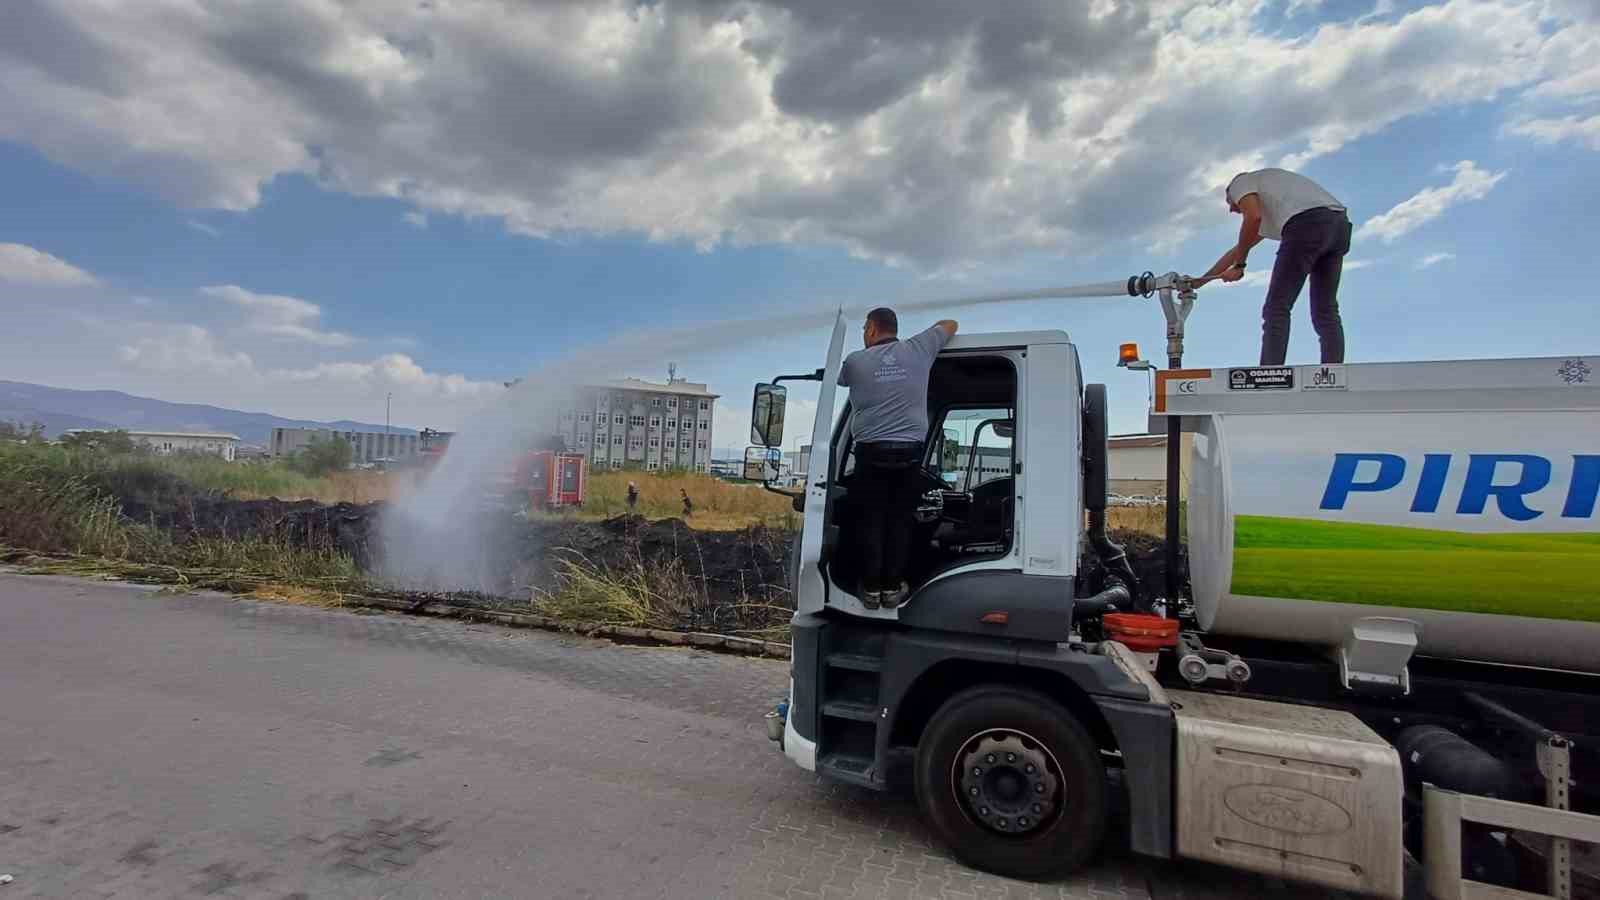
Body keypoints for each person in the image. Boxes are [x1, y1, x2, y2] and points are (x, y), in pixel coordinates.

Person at [838, 307, 958, 610]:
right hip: (908, 455)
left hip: (869, 455)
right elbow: (950, 323)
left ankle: (871, 589)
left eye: (865, 328)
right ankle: (892, 589)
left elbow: (840, 381)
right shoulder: (919, 348)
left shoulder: (855, 361)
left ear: (872, 329)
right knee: (901, 521)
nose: (864, 334)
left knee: (871, 521)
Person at [1201, 168, 1351, 366]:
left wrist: (1240, 265)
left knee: (1276, 307)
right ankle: (1333, 371)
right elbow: (1238, 249)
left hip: (1307, 224)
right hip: (1338, 226)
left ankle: (1270, 373)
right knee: (1325, 309)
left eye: (1230, 202)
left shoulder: (1241, 182)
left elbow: (1252, 217)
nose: (1231, 209)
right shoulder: (1278, 204)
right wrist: (1200, 282)